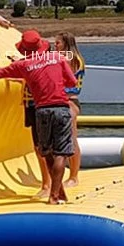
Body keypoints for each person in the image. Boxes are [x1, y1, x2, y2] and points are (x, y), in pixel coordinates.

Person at [0, 29, 77, 204]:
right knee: (61, 153)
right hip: (61, 108)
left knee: (46, 152)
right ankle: (55, 195)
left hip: (41, 111)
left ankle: (58, 192)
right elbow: (71, 82)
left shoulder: (23, 65)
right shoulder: (58, 58)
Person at [55, 31, 85, 187]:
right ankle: (72, 175)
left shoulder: (69, 58)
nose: (55, 46)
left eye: (58, 43)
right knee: (69, 139)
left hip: (70, 102)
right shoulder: (76, 58)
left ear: (66, 44)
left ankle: (74, 176)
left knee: (72, 139)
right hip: (70, 101)